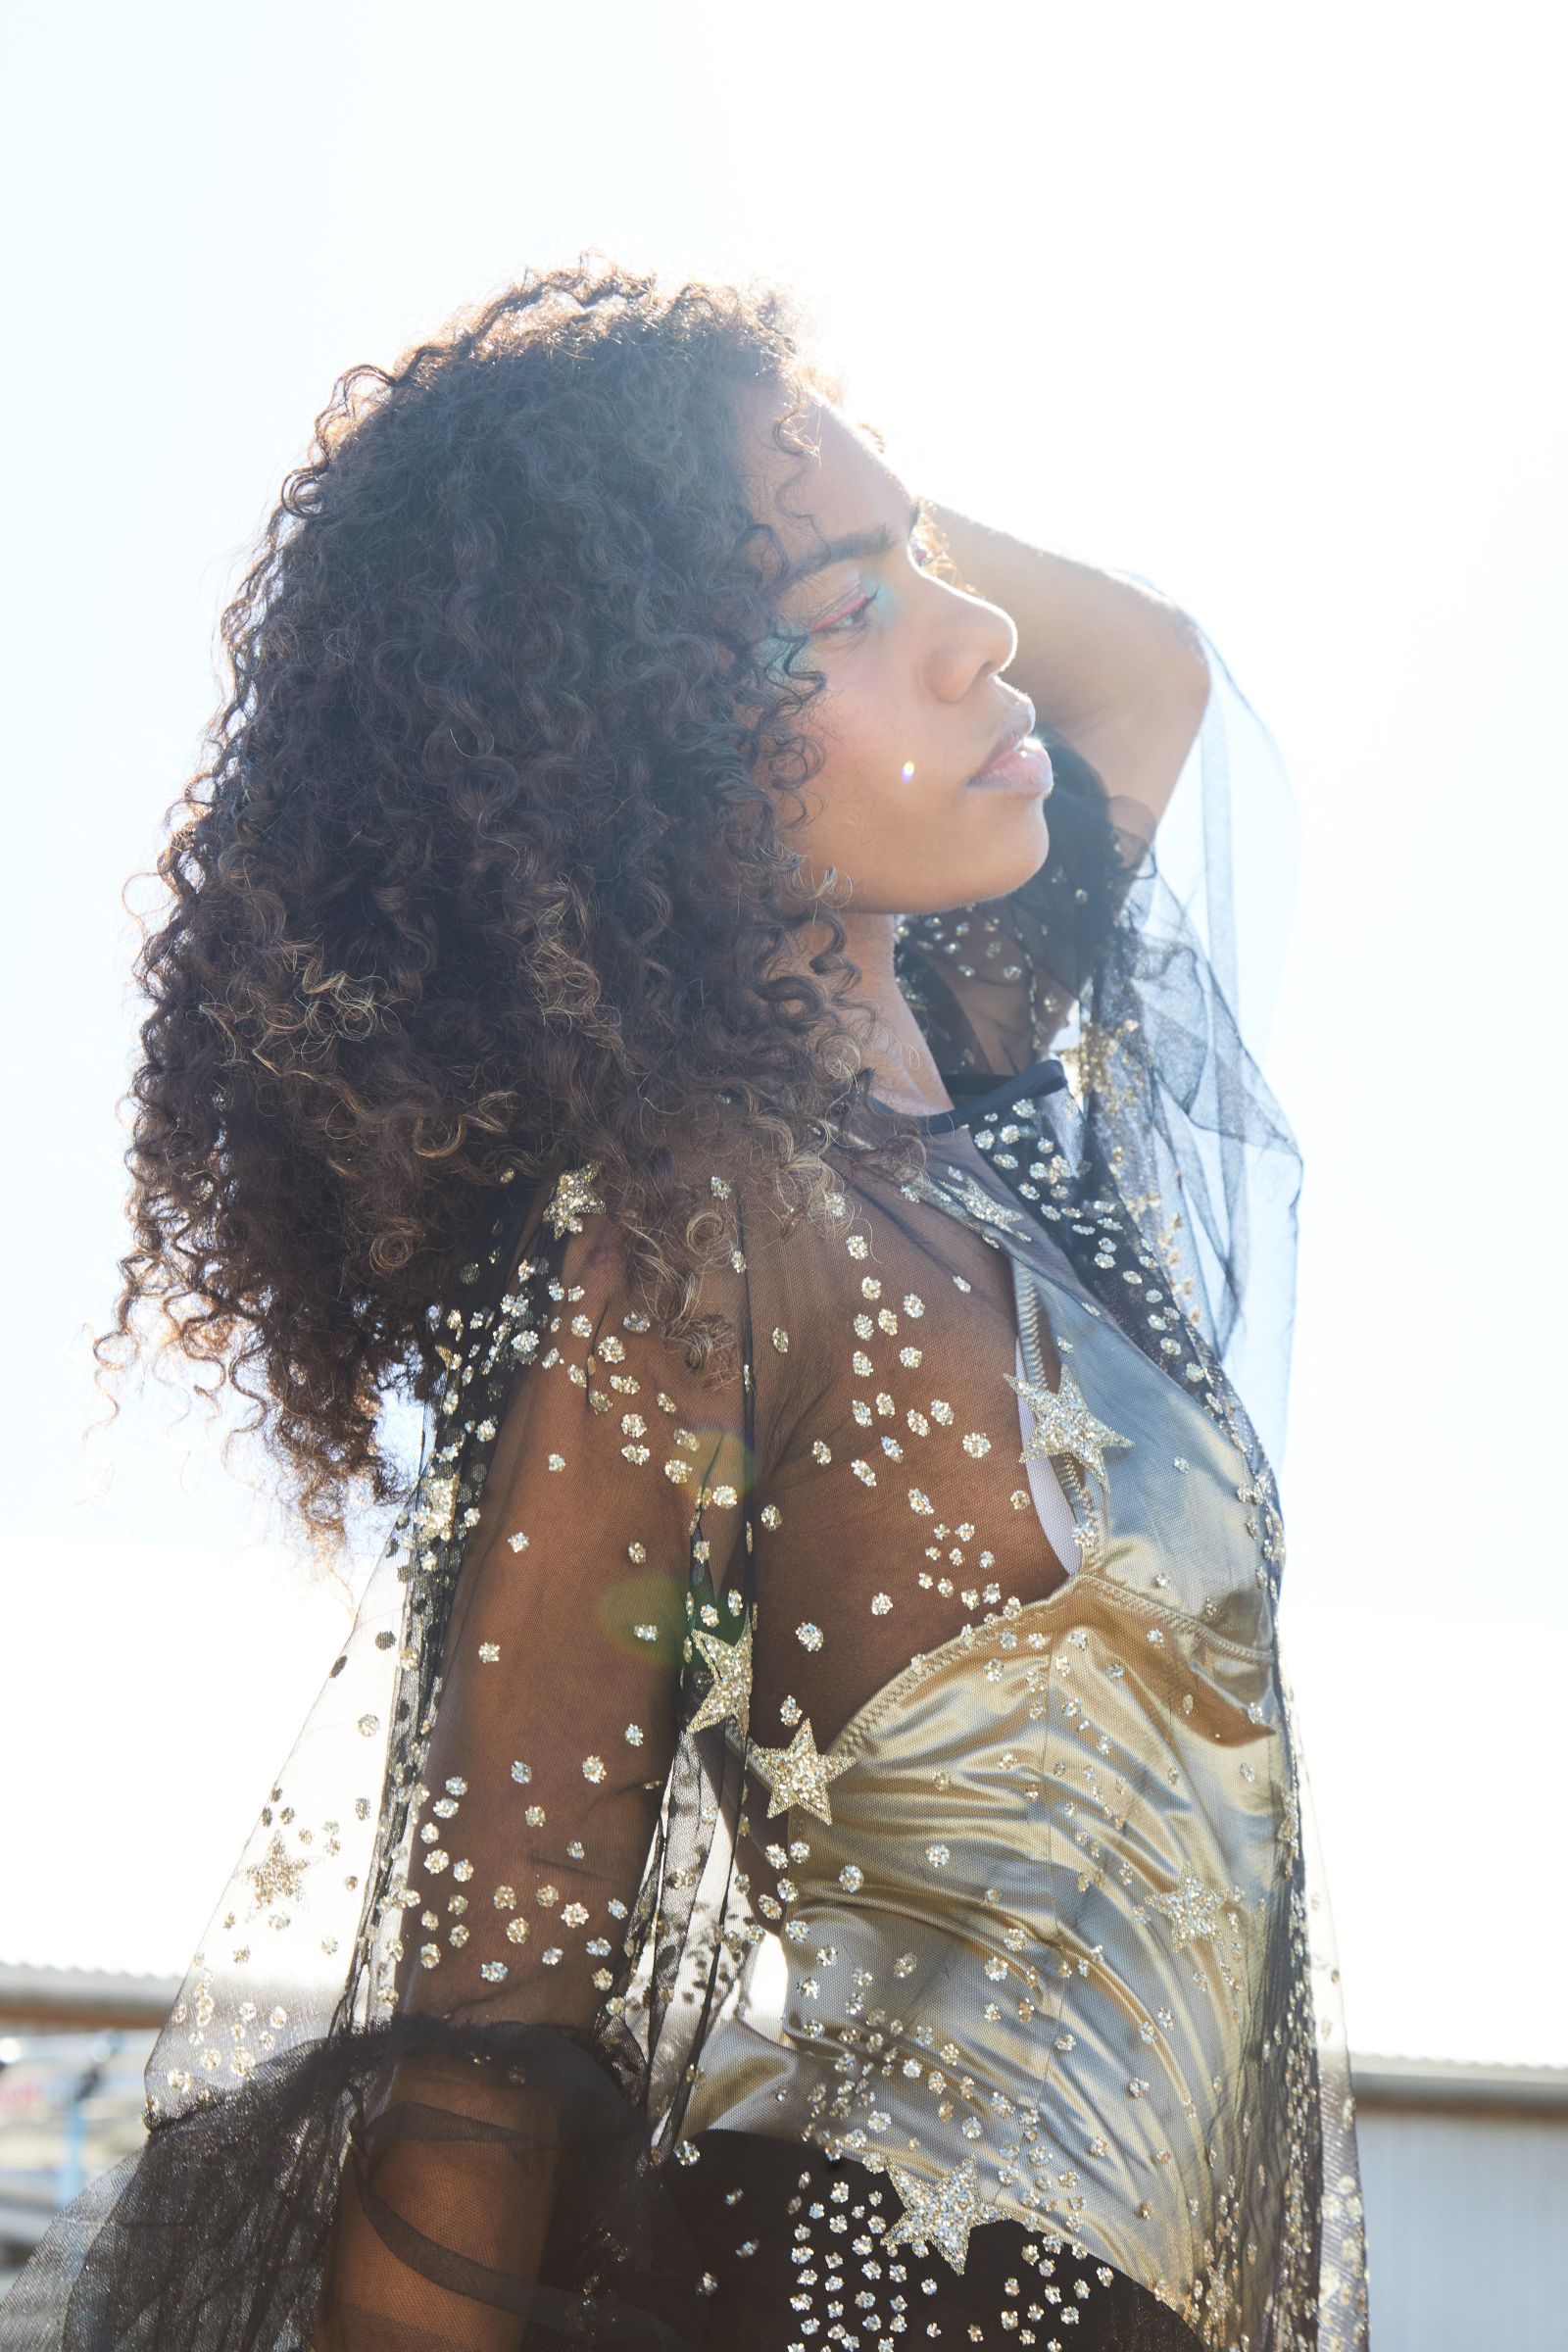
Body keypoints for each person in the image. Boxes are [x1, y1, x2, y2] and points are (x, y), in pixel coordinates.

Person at [1, 261, 1368, 2349]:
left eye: (916, 561)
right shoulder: (686, 1245)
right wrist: (637, 534)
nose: (965, 632)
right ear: (636, 727)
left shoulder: (971, 1104)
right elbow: (481, 2061)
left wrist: (765, 444)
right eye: (841, 613)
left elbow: (1140, 675)